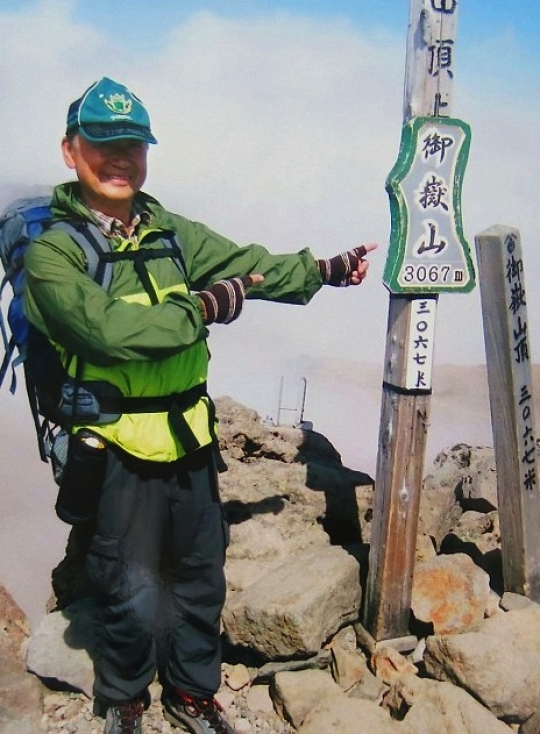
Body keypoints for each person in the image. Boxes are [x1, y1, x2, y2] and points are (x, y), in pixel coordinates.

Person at [24, 77, 377, 734]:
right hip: (116, 447)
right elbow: (105, 333)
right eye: (103, 143)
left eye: (133, 143)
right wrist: (202, 309)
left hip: (190, 441)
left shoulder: (170, 232)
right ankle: (125, 699)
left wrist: (322, 270)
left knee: (198, 576)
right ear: (71, 151)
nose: (121, 157)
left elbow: (249, 265)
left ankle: (192, 695)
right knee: (126, 585)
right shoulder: (53, 253)